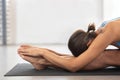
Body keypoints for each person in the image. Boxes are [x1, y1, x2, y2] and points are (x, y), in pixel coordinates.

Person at [18, 17, 120, 72]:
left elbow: (74, 66)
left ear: (89, 44)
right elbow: (79, 60)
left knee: (103, 56)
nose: (89, 55)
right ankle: (43, 62)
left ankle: (44, 62)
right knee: (99, 56)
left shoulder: (107, 31)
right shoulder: (103, 29)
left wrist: (43, 53)